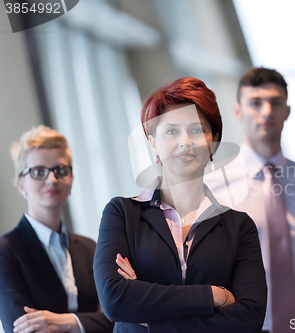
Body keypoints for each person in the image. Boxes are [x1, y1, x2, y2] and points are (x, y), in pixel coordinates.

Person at [93, 77, 267, 333]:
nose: (185, 141)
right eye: (172, 131)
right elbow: (114, 299)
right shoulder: (122, 214)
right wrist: (212, 296)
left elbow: (249, 317)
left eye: (196, 130)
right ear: (153, 140)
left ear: (213, 140)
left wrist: (148, 316)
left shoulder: (239, 227)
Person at [204, 67, 295, 333]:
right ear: (238, 111)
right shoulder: (211, 186)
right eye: (255, 103)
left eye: (275, 103)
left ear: (287, 111)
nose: (266, 112)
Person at [0, 126, 113, 333]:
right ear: (20, 184)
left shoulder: (90, 248)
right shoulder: (5, 252)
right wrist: (90, 322)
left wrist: (65, 323)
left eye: (60, 170)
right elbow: (21, 328)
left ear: (71, 180)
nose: (52, 180)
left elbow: (115, 319)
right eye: (39, 172)